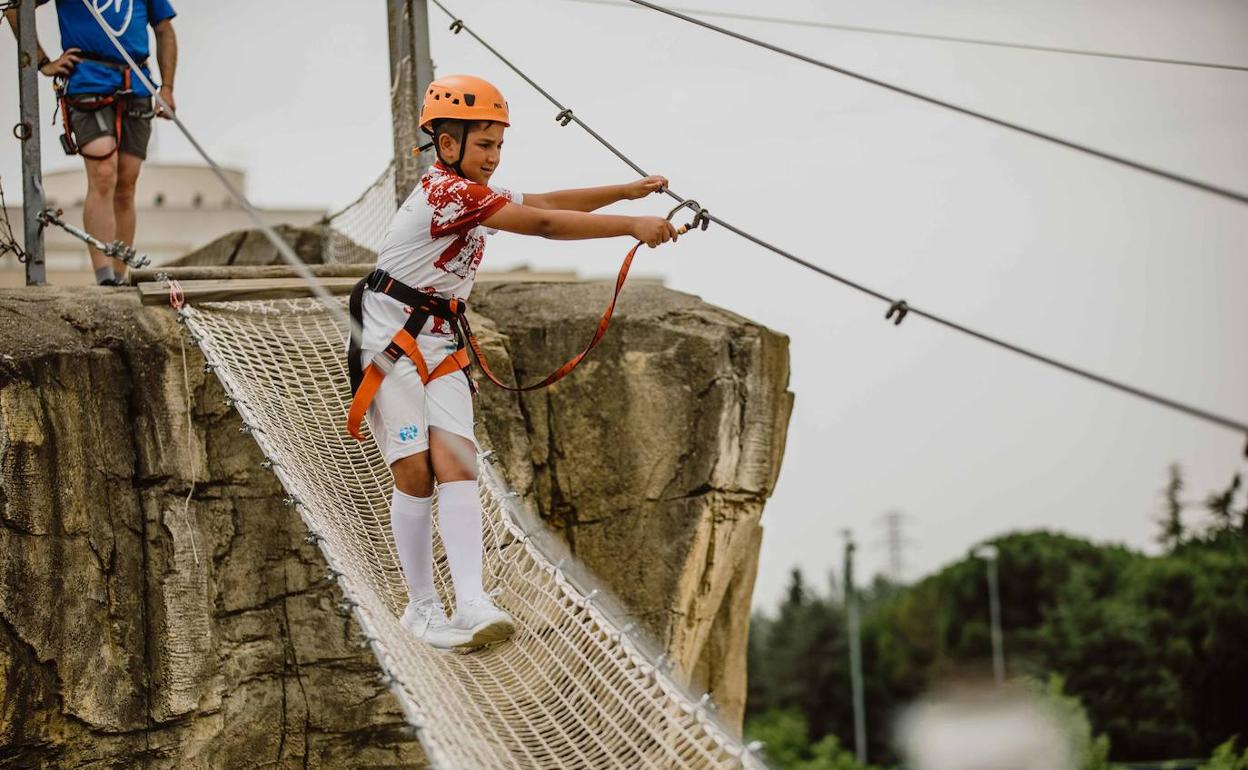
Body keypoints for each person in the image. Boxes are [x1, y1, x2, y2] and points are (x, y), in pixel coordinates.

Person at [351, 74, 678, 650]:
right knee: (416, 472)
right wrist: (630, 226)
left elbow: (547, 203)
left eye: (500, 146)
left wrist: (624, 194)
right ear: (446, 144)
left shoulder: (473, 192)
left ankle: (471, 601)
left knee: (459, 462)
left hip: (440, 340)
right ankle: (422, 608)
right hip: (390, 340)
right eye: (484, 145)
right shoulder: (446, 194)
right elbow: (546, 225)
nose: (494, 158)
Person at [4, 0, 177, 285]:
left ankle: (121, 276)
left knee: (127, 183)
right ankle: (104, 275)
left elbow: (164, 29)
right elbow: (15, 7)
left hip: (136, 84)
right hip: (87, 83)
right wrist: (43, 61)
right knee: (104, 174)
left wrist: (167, 88)